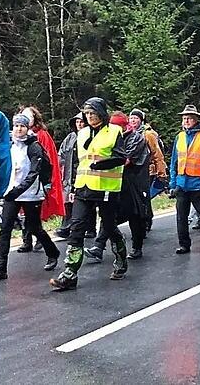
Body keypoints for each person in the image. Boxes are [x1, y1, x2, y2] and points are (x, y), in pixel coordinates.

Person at [50, 97, 129, 291]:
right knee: (76, 228)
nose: (89, 116)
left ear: (102, 113)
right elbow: (76, 161)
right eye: (87, 113)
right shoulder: (82, 133)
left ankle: (121, 260)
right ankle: (70, 273)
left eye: (93, 112)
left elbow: (121, 157)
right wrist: (69, 186)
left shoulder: (114, 132)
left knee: (109, 227)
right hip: (83, 186)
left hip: (106, 187)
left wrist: (103, 164)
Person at [0, 114, 60, 282]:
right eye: (17, 126)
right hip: (12, 193)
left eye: (22, 126)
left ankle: (53, 253)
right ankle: (0, 268)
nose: (19, 129)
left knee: (34, 227)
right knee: (5, 228)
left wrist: (18, 190)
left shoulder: (34, 147)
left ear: (28, 128)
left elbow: (34, 173)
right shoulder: (10, 145)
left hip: (31, 194)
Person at [87, 111, 152, 260]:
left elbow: (126, 160)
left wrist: (104, 162)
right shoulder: (108, 136)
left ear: (122, 126)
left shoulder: (136, 138)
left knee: (135, 216)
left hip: (133, 182)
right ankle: (99, 246)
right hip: (114, 181)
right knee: (108, 215)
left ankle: (137, 247)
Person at [170, 105, 200, 254]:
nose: (186, 120)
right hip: (181, 183)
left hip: (198, 183)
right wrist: (172, 182)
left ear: (196, 119)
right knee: (181, 216)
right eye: (184, 118)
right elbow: (174, 161)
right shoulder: (180, 136)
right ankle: (184, 244)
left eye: (189, 118)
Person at [17, 105, 65, 252]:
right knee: (22, 211)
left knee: (34, 212)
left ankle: (39, 239)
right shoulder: (17, 136)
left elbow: (47, 160)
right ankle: (27, 240)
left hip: (35, 180)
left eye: (30, 117)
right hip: (21, 179)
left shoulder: (42, 135)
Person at [130, 109, 167, 232]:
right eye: (131, 118)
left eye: (136, 118)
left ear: (141, 120)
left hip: (149, 170)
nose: (133, 120)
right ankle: (142, 219)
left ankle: (146, 220)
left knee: (145, 196)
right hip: (134, 170)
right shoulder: (129, 133)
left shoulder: (148, 134)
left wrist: (161, 173)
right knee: (138, 197)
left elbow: (157, 154)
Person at [55, 113, 84, 239]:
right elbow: (61, 153)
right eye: (77, 122)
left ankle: (88, 228)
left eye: (82, 122)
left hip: (83, 173)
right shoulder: (70, 137)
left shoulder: (90, 136)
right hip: (68, 174)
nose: (79, 124)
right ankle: (66, 227)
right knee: (67, 201)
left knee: (83, 203)